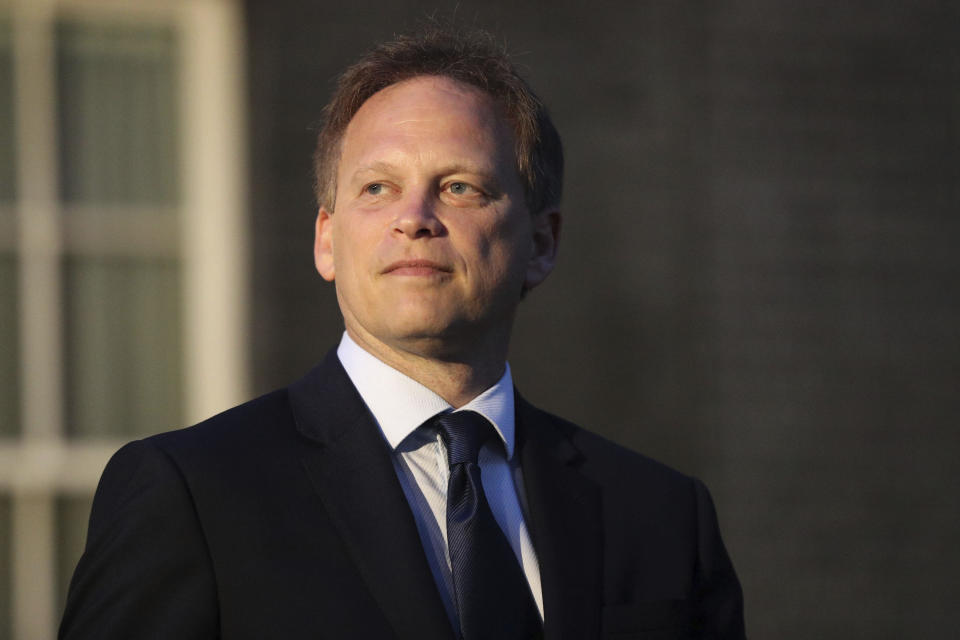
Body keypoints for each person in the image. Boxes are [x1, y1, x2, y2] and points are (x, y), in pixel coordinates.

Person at [60, 26, 745, 640]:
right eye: (378, 188)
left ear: (541, 241)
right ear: (326, 240)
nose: (413, 217)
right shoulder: (193, 497)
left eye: (459, 188)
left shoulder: (662, 516)